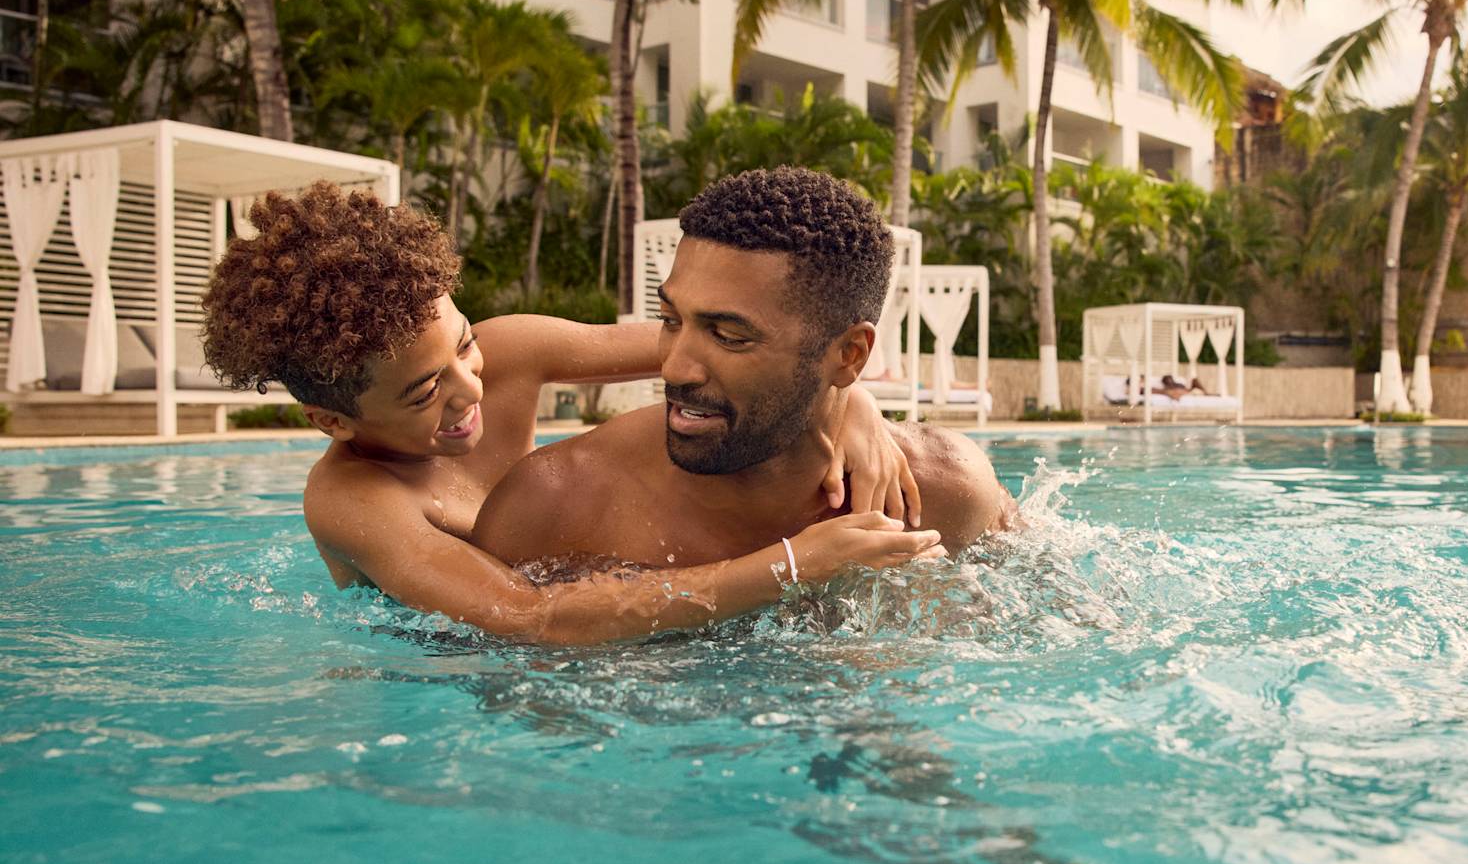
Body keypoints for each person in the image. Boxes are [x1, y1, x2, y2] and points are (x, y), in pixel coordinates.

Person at [200, 183, 929, 644]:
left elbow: (745, 353)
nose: (469, 390)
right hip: (449, 667)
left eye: (464, 346)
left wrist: (849, 397)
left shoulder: (510, 349)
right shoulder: (354, 502)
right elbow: (532, 617)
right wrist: (794, 565)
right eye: (424, 393)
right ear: (334, 421)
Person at [472, 167, 1016, 596]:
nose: (674, 369)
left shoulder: (945, 491)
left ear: (849, 355)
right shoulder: (554, 507)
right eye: (670, 320)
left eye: (729, 335)